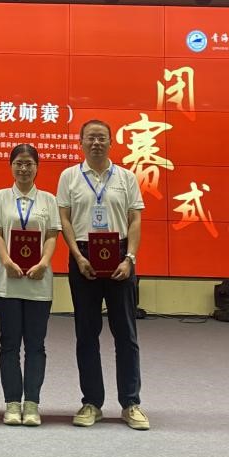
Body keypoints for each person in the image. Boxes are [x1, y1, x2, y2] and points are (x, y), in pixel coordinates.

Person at [57, 119, 150, 430]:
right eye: (90, 138)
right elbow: (65, 219)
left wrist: (130, 258)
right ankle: (91, 403)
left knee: (126, 334)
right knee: (86, 334)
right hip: (84, 257)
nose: (96, 143)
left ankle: (130, 403)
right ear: (81, 142)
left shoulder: (126, 177)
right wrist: (77, 256)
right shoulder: (69, 176)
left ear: (111, 142)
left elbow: (135, 219)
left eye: (101, 138)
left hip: (120, 256)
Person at [0, 144, 60, 426]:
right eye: (18, 163)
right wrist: (5, 261)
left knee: (36, 345)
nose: (24, 168)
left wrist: (44, 263)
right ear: (11, 166)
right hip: (8, 282)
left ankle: (32, 404)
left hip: (38, 282)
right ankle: (12, 403)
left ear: (37, 167)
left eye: (29, 163)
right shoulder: (0, 198)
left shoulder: (48, 200)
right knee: (9, 344)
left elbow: (52, 235)